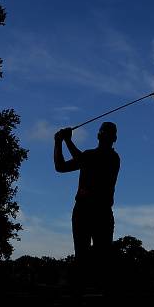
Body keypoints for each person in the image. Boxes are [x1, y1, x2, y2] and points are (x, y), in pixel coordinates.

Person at [54, 122, 120, 293]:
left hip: (101, 211)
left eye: (109, 133)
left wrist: (66, 140)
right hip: (83, 210)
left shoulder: (113, 158)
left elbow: (83, 161)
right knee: (81, 256)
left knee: (102, 257)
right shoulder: (88, 155)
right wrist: (58, 142)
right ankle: (80, 293)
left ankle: (98, 292)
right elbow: (60, 167)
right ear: (99, 136)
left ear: (114, 139)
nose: (105, 135)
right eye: (103, 132)